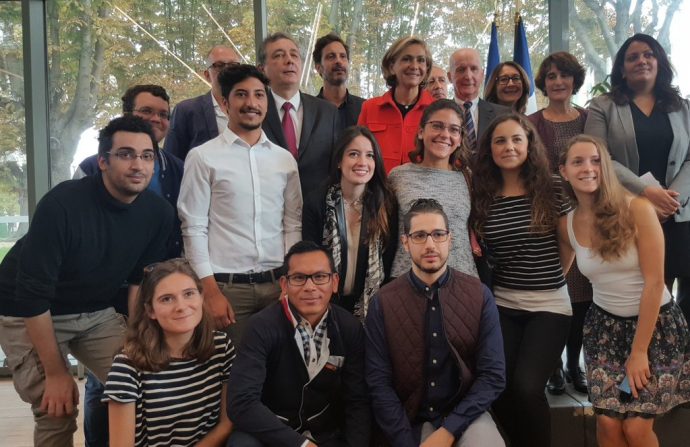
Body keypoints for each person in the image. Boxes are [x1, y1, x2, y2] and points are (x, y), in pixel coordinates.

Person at [0, 115, 173, 446]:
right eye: (125, 154)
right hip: (29, 311)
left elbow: (139, 283)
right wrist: (55, 373)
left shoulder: (157, 213)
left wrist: (140, 341)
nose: (138, 164)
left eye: (147, 156)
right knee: (57, 406)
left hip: (94, 310)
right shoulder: (62, 205)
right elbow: (32, 296)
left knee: (148, 383)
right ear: (103, 162)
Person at [559, 135, 690, 447]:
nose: (588, 168)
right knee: (607, 425)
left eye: (595, 161)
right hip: (604, 332)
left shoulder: (638, 209)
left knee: (635, 429)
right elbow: (555, 279)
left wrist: (639, 352)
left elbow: (655, 283)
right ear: (563, 171)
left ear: (606, 168)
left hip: (654, 331)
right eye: (577, 161)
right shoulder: (566, 225)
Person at [74, 84, 185, 446]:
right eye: (146, 112)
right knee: (105, 379)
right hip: (103, 294)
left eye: (163, 114)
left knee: (149, 371)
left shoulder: (175, 168)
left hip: (156, 288)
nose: (156, 119)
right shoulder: (91, 168)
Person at [177, 64, 302, 345]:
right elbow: (193, 227)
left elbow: (293, 224)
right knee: (231, 379)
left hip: (276, 286)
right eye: (241, 95)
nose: (251, 103)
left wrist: (290, 278)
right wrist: (209, 292)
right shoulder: (202, 157)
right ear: (224, 103)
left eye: (259, 95)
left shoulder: (284, 160)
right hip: (226, 290)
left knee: (277, 374)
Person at [365, 198, 506, 447]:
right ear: (406, 243)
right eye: (420, 236)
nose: (430, 245)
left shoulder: (478, 294)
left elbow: (493, 376)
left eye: (438, 234)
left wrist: (449, 430)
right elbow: (378, 383)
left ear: (450, 239)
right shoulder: (382, 302)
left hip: (467, 414)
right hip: (409, 417)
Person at [470, 113, 572, 447]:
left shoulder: (553, 187)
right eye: (500, 140)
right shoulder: (483, 194)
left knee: (528, 388)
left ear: (529, 144)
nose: (509, 146)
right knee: (497, 387)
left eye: (516, 139)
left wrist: (548, 279)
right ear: (490, 149)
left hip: (549, 306)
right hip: (502, 304)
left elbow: (566, 247)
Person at [585, 33, 690, 325]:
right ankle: (640, 356)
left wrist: (670, 199)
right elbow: (600, 157)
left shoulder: (682, 107)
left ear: (660, 62)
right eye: (632, 57)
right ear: (622, 68)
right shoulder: (602, 106)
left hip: (677, 213)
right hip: (627, 212)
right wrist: (647, 193)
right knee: (639, 288)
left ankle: (676, 361)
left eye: (648, 54)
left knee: (677, 295)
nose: (641, 61)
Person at [226, 241, 370, 447]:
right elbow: (241, 403)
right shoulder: (261, 326)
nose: (310, 287)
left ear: (335, 282)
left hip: (324, 433)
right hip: (269, 433)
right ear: (284, 284)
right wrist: (301, 445)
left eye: (320, 277)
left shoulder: (349, 327)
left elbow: (357, 400)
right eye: (299, 278)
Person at [104, 258, 235, 447]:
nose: (181, 306)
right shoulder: (127, 365)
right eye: (167, 299)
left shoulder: (221, 347)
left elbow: (226, 425)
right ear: (150, 310)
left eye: (189, 294)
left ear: (201, 297)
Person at [529, 51, 591, 395]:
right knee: (555, 292)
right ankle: (552, 366)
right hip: (547, 219)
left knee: (582, 296)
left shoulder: (588, 119)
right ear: (544, 83)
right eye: (551, 76)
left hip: (585, 216)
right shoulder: (533, 122)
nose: (557, 82)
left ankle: (573, 364)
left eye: (564, 76)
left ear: (573, 81)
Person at [302, 126, 397, 320]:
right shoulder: (317, 203)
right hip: (324, 304)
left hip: (371, 307)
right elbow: (309, 259)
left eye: (370, 155)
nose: (362, 162)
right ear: (339, 160)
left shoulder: (386, 205)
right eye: (353, 154)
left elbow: (388, 262)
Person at [388, 99, 478, 279]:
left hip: (462, 281)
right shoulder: (398, 176)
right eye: (437, 126)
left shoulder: (468, 178)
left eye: (453, 129)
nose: (445, 134)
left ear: (460, 139)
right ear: (421, 131)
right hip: (407, 281)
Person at [259, 32, 341, 195]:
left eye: (294, 55)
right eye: (279, 55)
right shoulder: (254, 112)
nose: (289, 60)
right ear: (262, 70)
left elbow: (335, 169)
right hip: (268, 209)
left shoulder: (327, 112)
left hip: (316, 212)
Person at [358, 36, 434, 173]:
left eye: (421, 60)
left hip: (420, 192)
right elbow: (359, 152)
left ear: (427, 68)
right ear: (392, 66)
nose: (414, 66)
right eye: (406, 59)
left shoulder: (437, 110)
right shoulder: (370, 108)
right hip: (377, 191)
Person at [165, 45, 241, 160]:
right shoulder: (187, 110)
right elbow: (171, 161)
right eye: (219, 65)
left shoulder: (254, 109)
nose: (227, 70)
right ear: (207, 75)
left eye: (233, 66)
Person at [448, 48, 510, 154]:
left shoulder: (503, 115)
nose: (468, 76)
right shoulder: (440, 114)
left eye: (474, 69)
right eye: (461, 69)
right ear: (450, 77)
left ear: (482, 75)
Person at [313, 32, 365, 130]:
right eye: (331, 56)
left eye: (343, 56)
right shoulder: (309, 111)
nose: (338, 61)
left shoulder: (364, 109)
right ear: (318, 67)